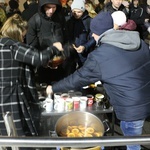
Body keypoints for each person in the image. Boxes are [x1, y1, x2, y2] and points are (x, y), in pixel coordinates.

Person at [46, 11, 150, 150]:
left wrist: (53, 88)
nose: (93, 36)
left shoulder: (99, 56)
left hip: (131, 110)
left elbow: (77, 79)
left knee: (133, 145)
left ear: (100, 33)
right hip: (145, 100)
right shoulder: (139, 42)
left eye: (94, 33)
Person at [0, 13, 63, 150]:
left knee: (6, 139)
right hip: (12, 101)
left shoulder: (2, 45)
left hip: (3, 99)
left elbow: (19, 62)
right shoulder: (13, 46)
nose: (23, 39)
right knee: (21, 139)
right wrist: (55, 48)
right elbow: (39, 57)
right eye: (23, 35)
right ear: (16, 34)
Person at [26, 0, 69, 85]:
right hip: (43, 65)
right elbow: (31, 46)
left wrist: (65, 55)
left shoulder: (60, 18)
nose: (51, 11)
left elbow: (66, 37)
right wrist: (42, 60)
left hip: (60, 63)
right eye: (48, 7)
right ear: (42, 7)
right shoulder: (34, 21)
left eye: (54, 7)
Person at [65, 0, 96, 69]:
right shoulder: (68, 21)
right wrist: (69, 44)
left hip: (84, 54)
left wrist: (85, 46)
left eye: (79, 12)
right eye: (74, 12)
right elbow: (66, 35)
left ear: (83, 11)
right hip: (71, 53)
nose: (76, 14)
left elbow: (93, 37)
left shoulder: (89, 21)